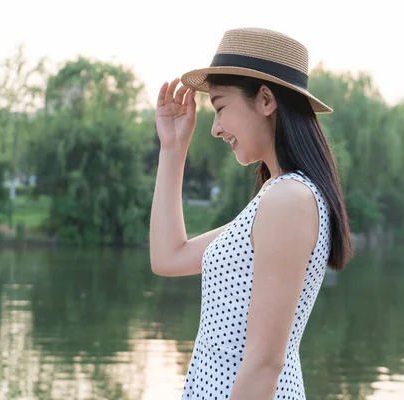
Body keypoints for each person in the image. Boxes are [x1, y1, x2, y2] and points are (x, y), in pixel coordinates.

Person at [149, 27, 354, 400]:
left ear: (265, 100)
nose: (214, 128)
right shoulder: (275, 197)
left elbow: (264, 362)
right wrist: (173, 148)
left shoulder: (289, 200)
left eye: (220, 107)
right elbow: (168, 256)